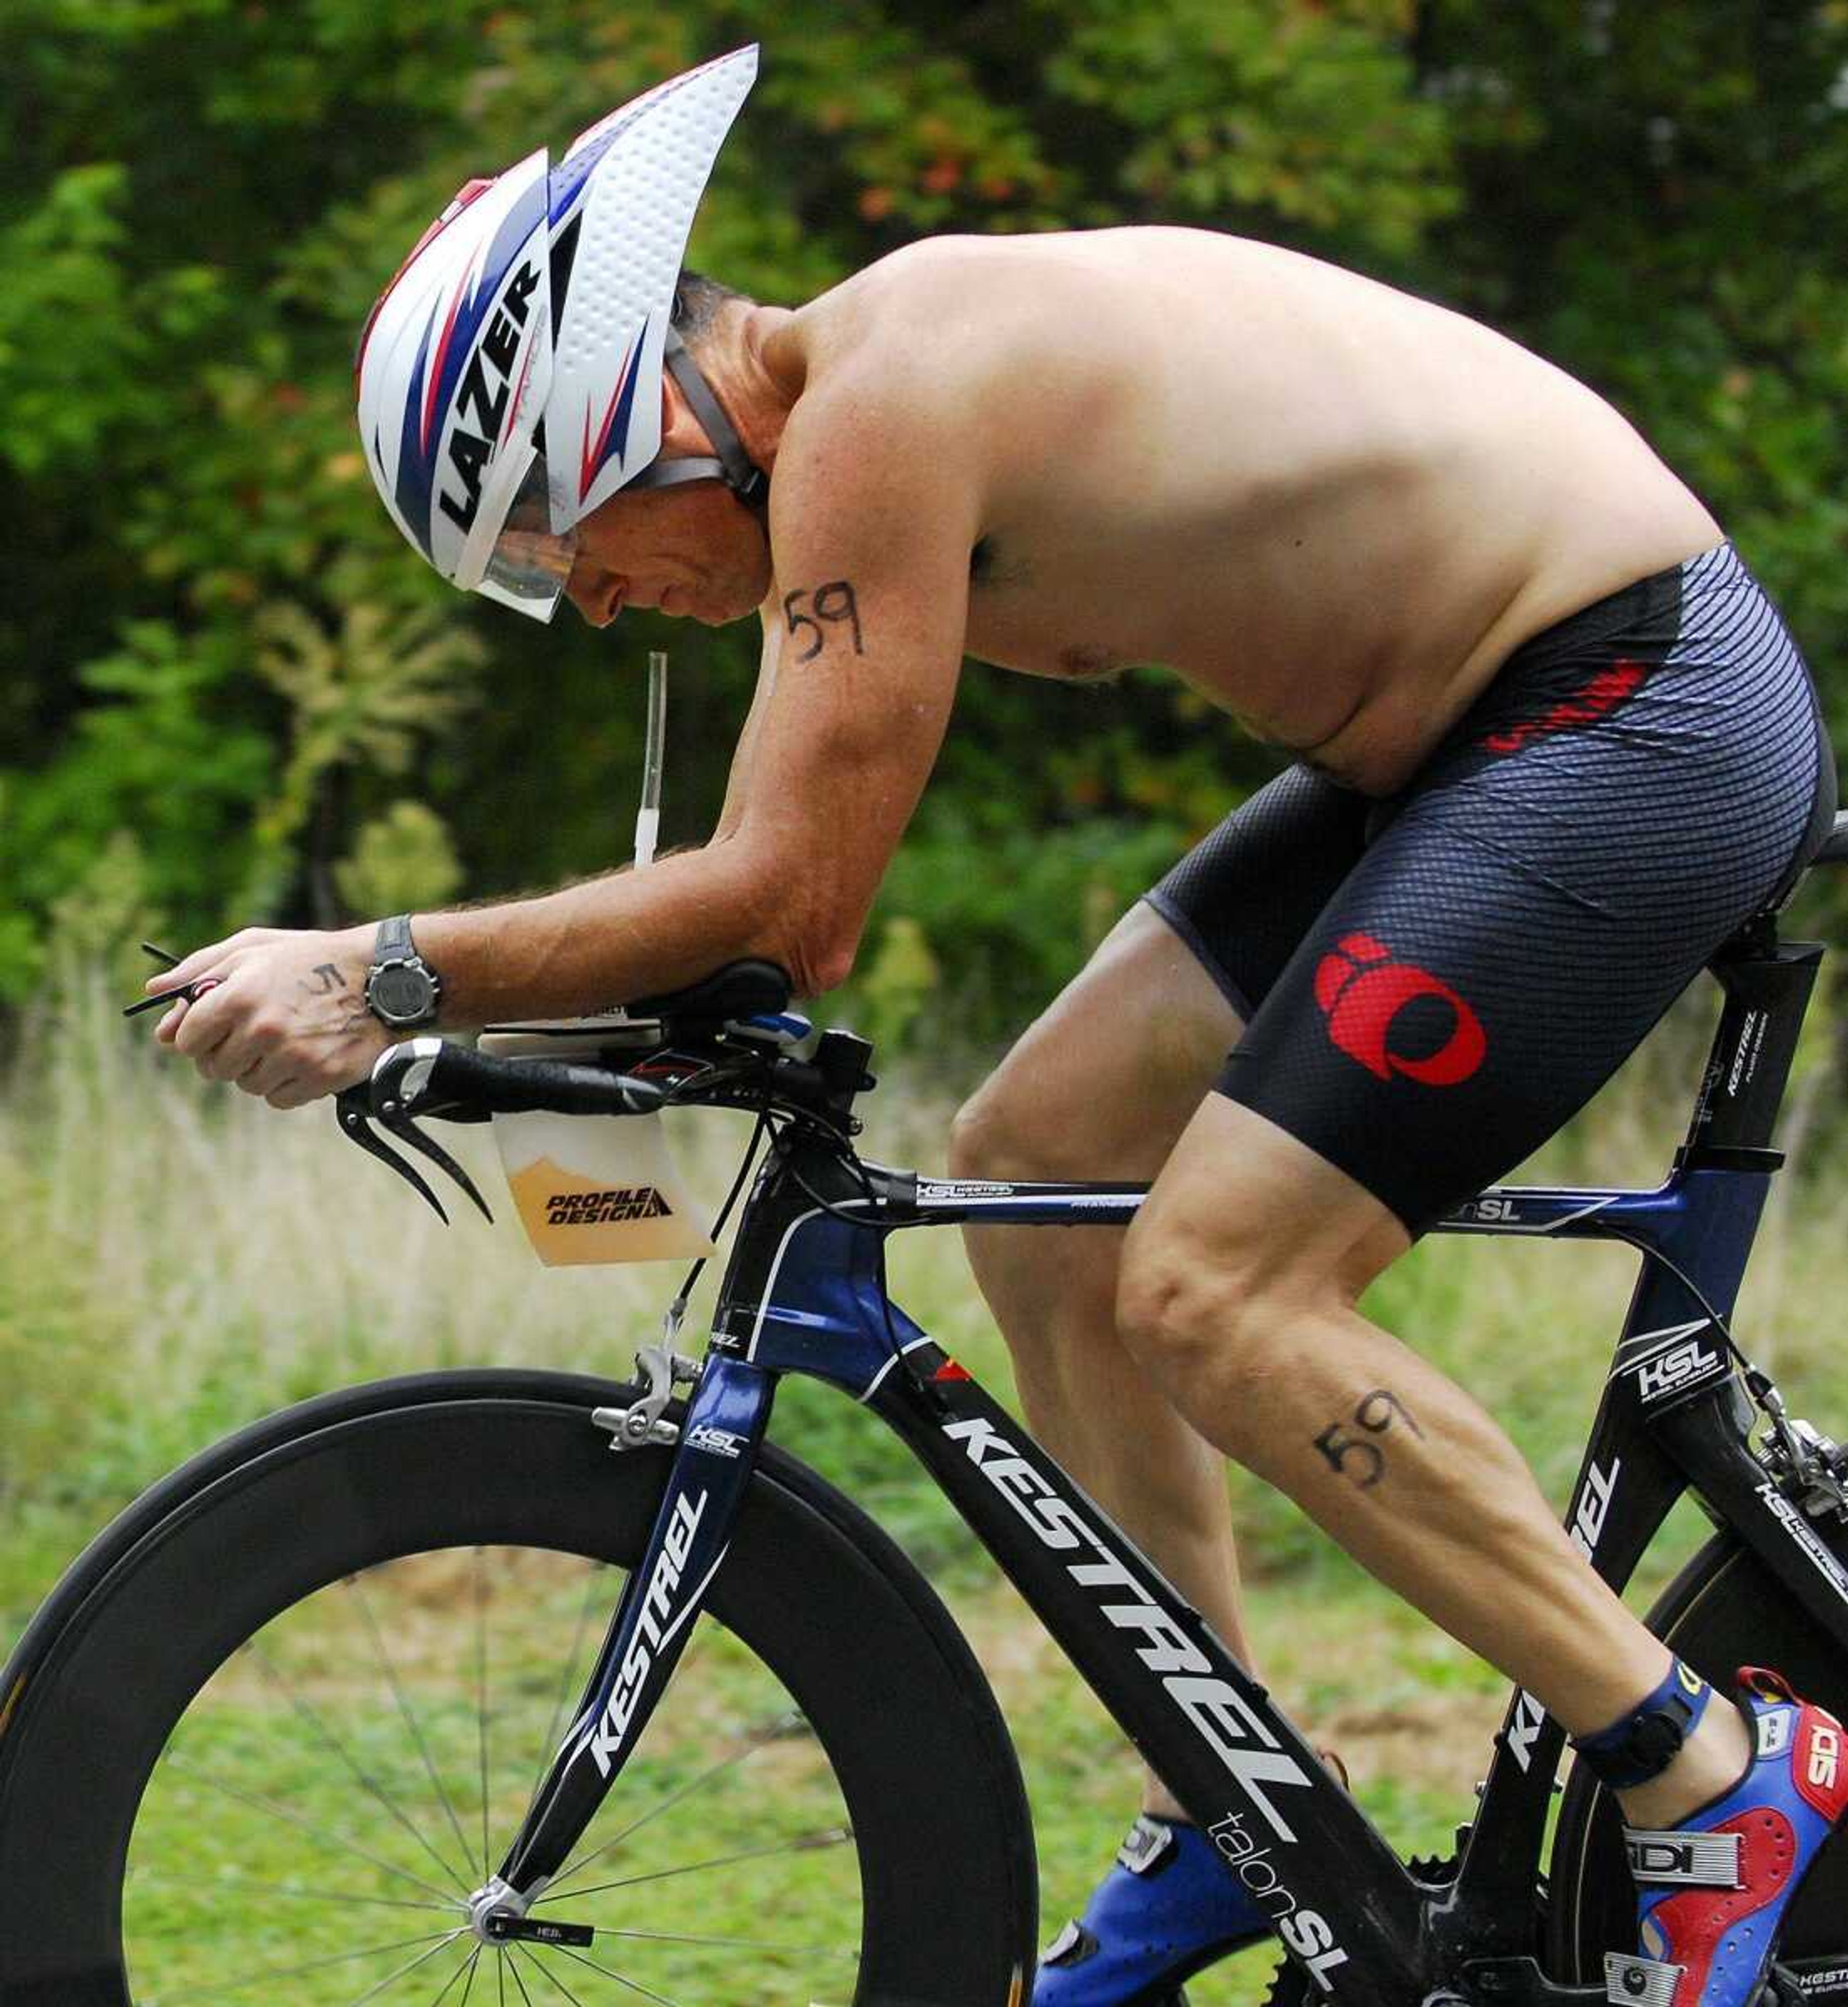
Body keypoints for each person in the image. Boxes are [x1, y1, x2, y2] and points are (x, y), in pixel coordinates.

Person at [146, 44, 1845, 2007]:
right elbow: (769, 927)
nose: (593, 604)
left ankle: (1712, 1767)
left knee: (1217, 1285)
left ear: (650, 422)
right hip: (1464, 734)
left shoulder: (887, 401)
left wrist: (377, 969)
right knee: (1043, 1167)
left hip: (1628, 703)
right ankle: (1234, 1811)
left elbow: (791, 901)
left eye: (553, 541)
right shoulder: (867, 414)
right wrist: (494, 1011)